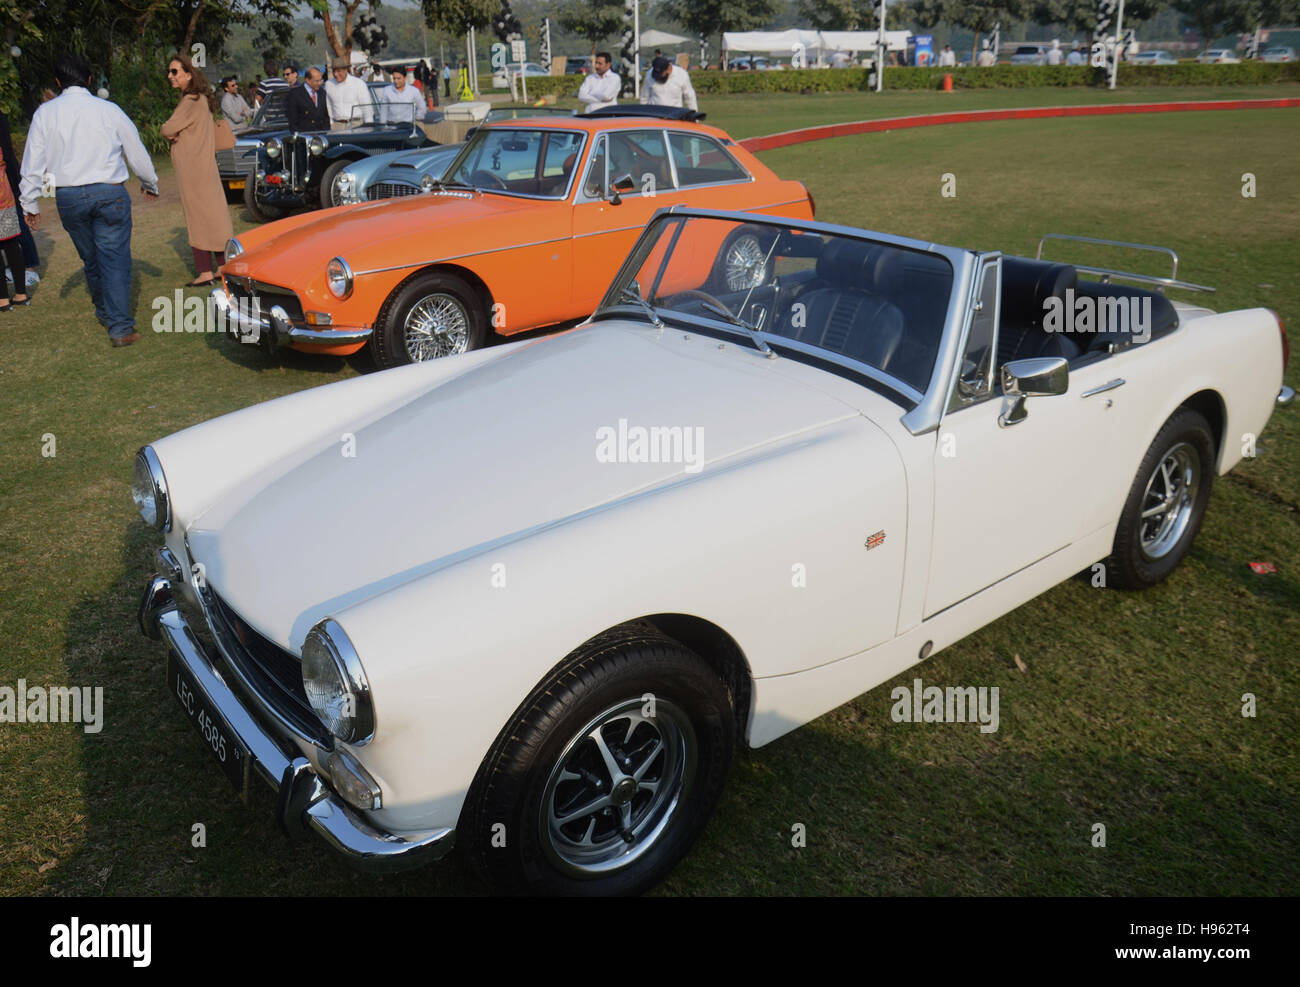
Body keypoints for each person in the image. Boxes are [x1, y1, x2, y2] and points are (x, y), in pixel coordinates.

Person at [20, 52, 159, 347]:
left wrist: (29, 203)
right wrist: (149, 182)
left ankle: (106, 313)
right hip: (110, 193)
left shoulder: (45, 113)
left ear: (58, 81)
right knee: (115, 260)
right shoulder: (109, 109)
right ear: (90, 79)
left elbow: (33, 162)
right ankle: (120, 327)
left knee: (91, 259)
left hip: (68, 197)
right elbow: (135, 150)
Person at [161, 53, 234, 288]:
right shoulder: (200, 98)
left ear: (189, 75)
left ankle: (205, 271)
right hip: (204, 165)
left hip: (193, 168)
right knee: (214, 215)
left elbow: (167, 128)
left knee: (198, 218)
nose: (170, 76)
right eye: (170, 71)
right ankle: (222, 264)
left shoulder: (190, 100)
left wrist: (172, 132)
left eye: (175, 72)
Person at [0, 112, 39, 291]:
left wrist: (15, 182)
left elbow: (6, 152)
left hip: (6, 181)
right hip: (7, 180)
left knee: (15, 228)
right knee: (8, 233)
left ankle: (29, 267)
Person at [0, 113, 29, 310]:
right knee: (11, 243)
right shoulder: (1, 118)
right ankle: (20, 293)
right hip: (3, 192)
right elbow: (8, 155)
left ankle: (2, 299)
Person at [326, 56, 371, 128]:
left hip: (356, 124)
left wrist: (369, 125)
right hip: (337, 125)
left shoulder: (358, 83)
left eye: (338, 71)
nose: (335, 74)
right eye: (334, 71)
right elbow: (328, 105)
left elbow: (367, 107)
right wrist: (331, 122)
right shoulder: (329, 84)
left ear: (345, 70)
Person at [286, 67, 330, 132]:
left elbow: (325, 116)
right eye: (317, 81)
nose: (320, 83)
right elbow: (293, 120)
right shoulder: (295, 94)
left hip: (321, 136)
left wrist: (326, 130)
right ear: (307, 80)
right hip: (305, 135)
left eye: (321, 80)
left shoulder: (322, 92)